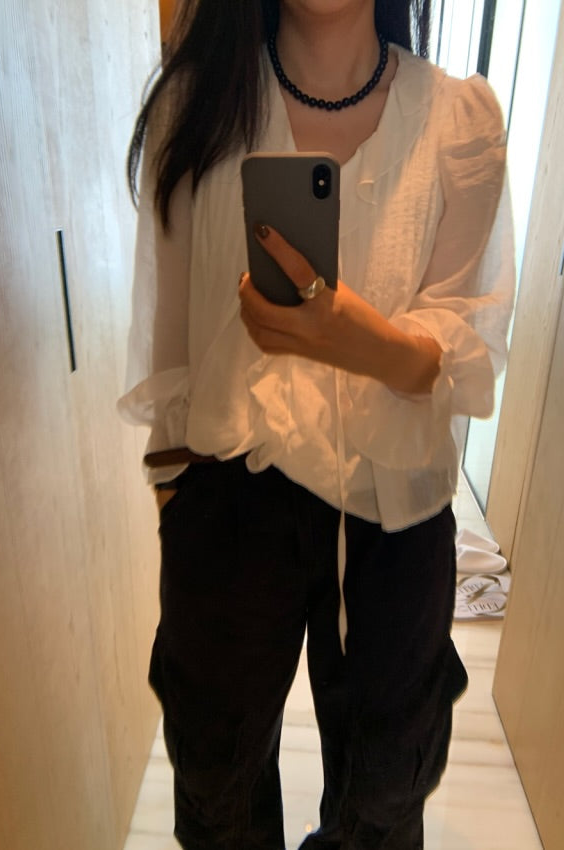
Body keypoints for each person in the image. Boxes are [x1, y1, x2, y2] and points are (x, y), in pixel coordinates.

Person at [118, 1, 515, 848]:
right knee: (216, 785)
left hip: (394, 510)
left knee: (386, 796)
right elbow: (171, 345)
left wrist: (352, 339)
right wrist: (174, 501)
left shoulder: (459, 123)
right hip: (226, 492)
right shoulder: (197, 105)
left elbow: (460, 351)